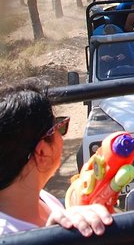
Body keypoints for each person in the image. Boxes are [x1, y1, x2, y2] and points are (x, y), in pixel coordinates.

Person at [0, 81, 113, 236]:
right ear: (42, 152)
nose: (62, 134)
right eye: (59, 127)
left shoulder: (41, 198)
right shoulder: (7, 235)